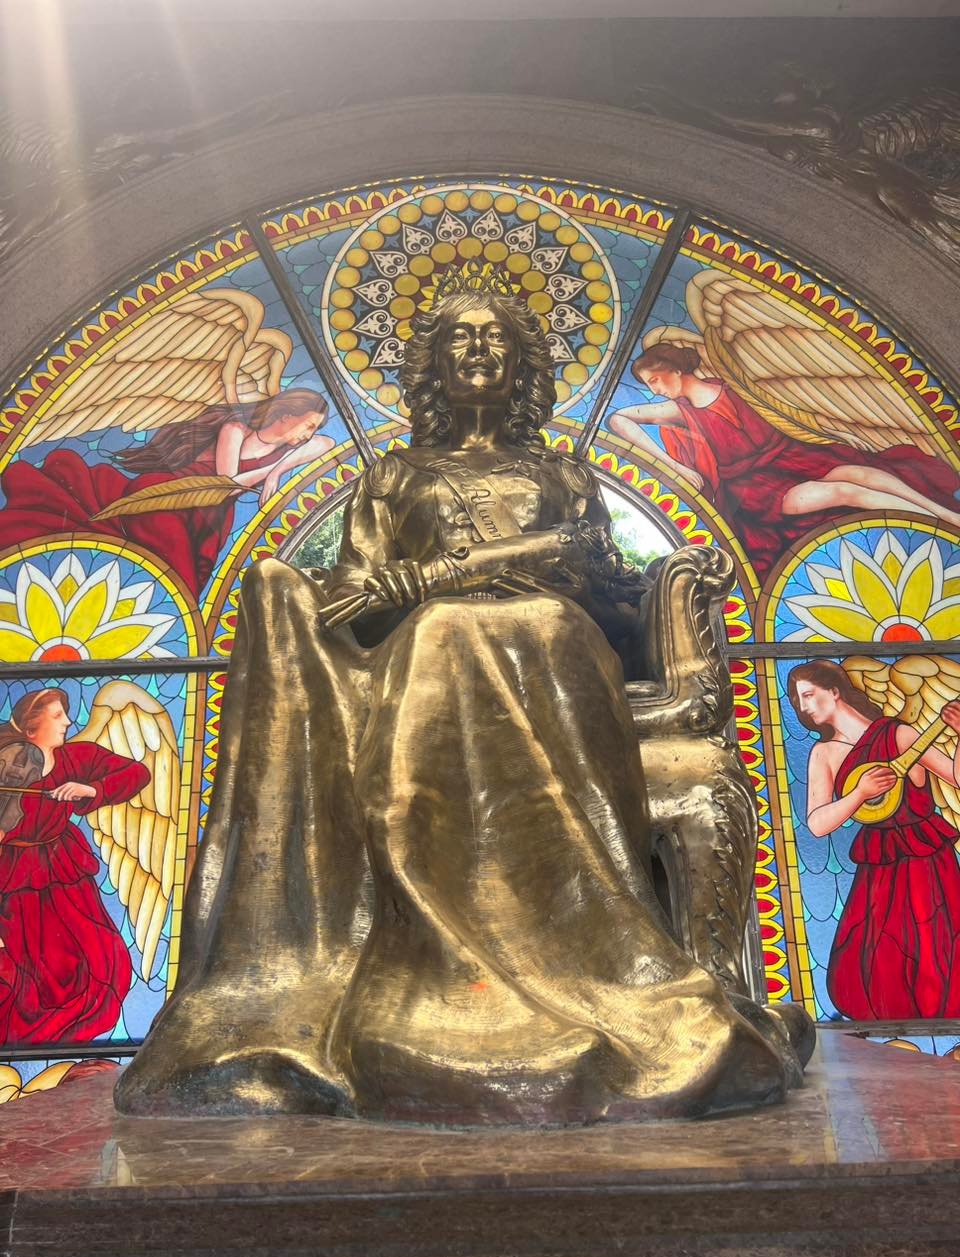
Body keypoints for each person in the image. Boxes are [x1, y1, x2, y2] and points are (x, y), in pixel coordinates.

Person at [116, 280, 807, 1124]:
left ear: (522, 367)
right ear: (432, 369)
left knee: (512, 621)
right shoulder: (393, 477)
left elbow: (609, 590)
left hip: (555, 647)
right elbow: (357, 597)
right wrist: (408, 585)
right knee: (441, 628)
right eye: (459, 339)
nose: (478, 352)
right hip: (427, 655)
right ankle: (436, 968)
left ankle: (592, 955)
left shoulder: (562, 475)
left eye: (495, 338)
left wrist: (552, 571)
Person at [609, 345, 960, 579]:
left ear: (674, 369)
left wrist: (832, 431)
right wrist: (676, 467)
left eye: (655, 380)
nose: (654, 389)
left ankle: (943, 513)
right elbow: (618, 419)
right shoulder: (678, 411)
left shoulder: (730, 384)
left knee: (859, 471)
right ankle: (938, 524)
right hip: (757, 490)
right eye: (649, 384)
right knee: (843, 490)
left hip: (791, 456)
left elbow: (785, 411)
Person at [0, 389, 331, 600]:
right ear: (286, 414)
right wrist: (271, 469)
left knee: (191, 585)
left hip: (209, 522)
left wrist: (278, 470)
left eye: (313, 428)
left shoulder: (289, 450)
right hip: (168, 502)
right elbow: (227, 484)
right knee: (178, 579)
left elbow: (326, 444)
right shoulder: (236, 430)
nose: (309, 434)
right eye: (309, 425)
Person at [788, 659, 960, 1020]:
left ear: (834, 691)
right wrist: (859, 794)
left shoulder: (899, 735)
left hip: (926, 857)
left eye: (808, 694)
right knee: (882, 950)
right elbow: (817, 824)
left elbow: (956, 777)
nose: (803, 707)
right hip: (879, 864)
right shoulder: (824, 754)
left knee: (935, 941)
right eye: (797, 701)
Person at [0, 689, 150, 1045]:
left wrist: (90, 790)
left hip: (63, 867)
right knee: (35, 968)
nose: (68, 722)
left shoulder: (78, 757)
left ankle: (78, 1035)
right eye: (57, 716)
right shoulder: (8, 762)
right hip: (17, 876)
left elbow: (138, 773)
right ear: (30, 727)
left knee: (101, 952)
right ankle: (30, 1043)